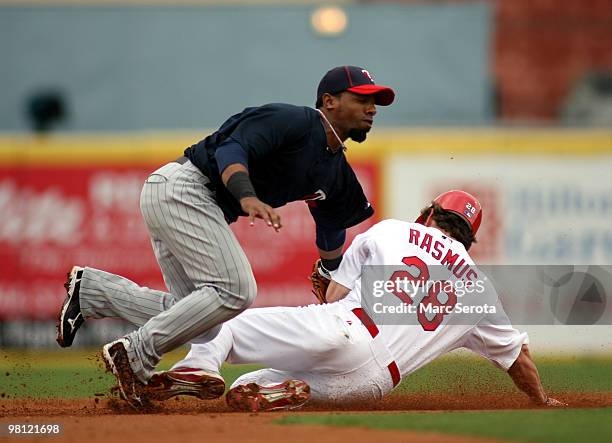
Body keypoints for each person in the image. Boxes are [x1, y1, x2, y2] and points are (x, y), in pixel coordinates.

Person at [55, 66, 395, 408]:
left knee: (203, 325)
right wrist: (246, 196)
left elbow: (332, 226)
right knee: (236, 290)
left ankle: (93, 292)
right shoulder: (295, 121)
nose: (372, 108)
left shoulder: (336, 171)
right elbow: (231, 150)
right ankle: (136, 353)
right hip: (185, 188)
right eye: (362, 98)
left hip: (190, 200)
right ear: (330, 100)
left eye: (376, 101)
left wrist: (331, 271)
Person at [144, 190, 566, 412]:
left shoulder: (393, 230)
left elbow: (334, 296)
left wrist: (325, 289)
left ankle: (196, 366)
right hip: (374, 382)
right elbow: (518, 358)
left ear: (429, 215)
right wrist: (540, 401)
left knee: (227, 324)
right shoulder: (478, 288)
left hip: (346, 327)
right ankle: (294, 391)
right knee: (247, 390)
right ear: (469, 240)